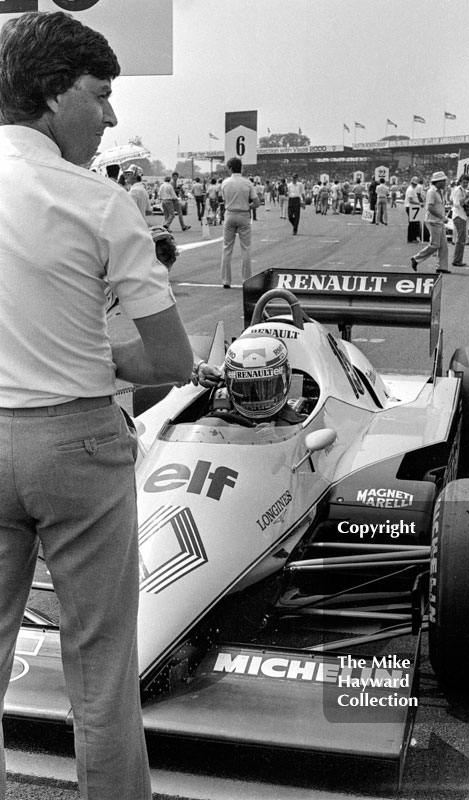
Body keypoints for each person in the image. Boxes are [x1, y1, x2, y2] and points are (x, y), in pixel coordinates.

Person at [0, 11, 194, 800]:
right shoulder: (97, 199)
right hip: (75, 441)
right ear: (52, 94)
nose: (111, 116)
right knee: (102, 670)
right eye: (101, 95)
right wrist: (98, 354)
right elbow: (173, 360)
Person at [193, 334, 307, 427]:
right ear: (228, 383)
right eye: (246, 387)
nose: (257, 396)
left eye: (267, 385)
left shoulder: (300, 424)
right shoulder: (220, 421)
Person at [220, 156, 260, 288]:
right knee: (246, 249)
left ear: (230, 168)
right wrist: (247, 206)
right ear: (240, 168)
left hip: (230, 213)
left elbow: (225, 200)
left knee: (227, 249)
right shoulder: (247, 183)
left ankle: (226, 280)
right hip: (243, 214)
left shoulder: (225, 183)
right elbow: (257, 203)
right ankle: (246, 280)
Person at [411, 171, 449, 274]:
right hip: (433, 221)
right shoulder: (432, 192)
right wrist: (442, 216)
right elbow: (430, 207)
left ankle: (442, 267)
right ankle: (416, 258)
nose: (445, 182)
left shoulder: (439, 191)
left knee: (444, 246)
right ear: (438, 181)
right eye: (443, 181)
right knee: (435, 245)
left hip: (439, 221)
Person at [450, 173, 469, 267]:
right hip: (458, 215)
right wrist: (465, 198)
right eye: (464, 182)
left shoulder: (463, 190)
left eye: (467, 182)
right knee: (460, 239)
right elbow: (456, 204)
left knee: (462, 238)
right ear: (460, 181)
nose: (466, 184)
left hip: (462, 215)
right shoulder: (458, 190)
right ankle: (457, 260)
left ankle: (458, 259)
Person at [404, 177, 422, 241]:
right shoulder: (411, 190)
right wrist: (419, 203)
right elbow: (410, 200)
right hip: (411, 207)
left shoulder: (412, 189)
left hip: (412, 207)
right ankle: (411, 238)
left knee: (414, 223)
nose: (415, 185)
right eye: (414, 184)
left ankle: (413, 237)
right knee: (412, 223)